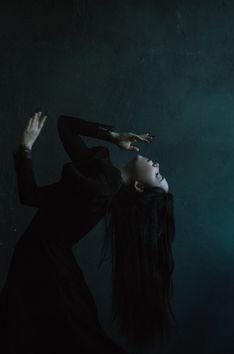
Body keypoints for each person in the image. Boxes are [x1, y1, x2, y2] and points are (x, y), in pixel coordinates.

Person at [0, 111, 175, 352]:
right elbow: (66, 126)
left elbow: (28, 195)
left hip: (44, 265)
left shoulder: (100, 187)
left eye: (157, 174)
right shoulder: (101, 176)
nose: (156, 164)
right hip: (43, 260)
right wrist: (113, 136)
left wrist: (25, 147)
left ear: (138, 185)